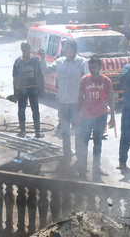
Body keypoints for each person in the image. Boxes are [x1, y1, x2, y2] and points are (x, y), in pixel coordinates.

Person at [41, 38, 88, 166]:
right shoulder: (59, 62)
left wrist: (86, 101)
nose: (63, 49)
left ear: (72, 50)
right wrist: (43, 58)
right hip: (63, 102)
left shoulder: (82, 62)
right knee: (65, 131)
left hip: (76, 103)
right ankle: (67, 155)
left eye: (66, 47)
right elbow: (45, 71)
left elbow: (87, 81)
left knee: (78, 130)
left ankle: (80, 156)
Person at [76, 56, 117, 182]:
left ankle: (96, 169)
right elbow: (80, 98)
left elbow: (111, 99)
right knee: (83, 143)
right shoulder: (84, 79)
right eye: (90, 67)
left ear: (100, 67)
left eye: (94, 67)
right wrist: (77, 115)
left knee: (97, 143)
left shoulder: (106, 81)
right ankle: (82, 169)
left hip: (100, 116)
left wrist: (112, 117)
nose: (92, 69)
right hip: (86, 116)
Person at [12, 41, 45, 138]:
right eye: (23, 47)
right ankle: (22, 131)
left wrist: (42, 88)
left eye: (26, 47)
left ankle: (37, 132)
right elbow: (15, 79)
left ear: (30, 48)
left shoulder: (36, 60)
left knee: (35, 110)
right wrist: (15, 91)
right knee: (21, 110)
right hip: (22, 90)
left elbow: (41, 75)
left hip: (33, 89)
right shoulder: (18, 62)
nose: (24, 49)